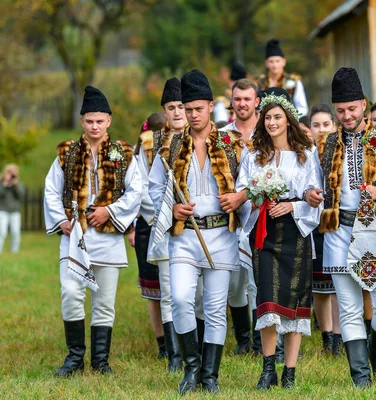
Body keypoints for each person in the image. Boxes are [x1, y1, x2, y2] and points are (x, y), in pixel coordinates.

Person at [307, 67, 376, 388]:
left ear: (364, 104)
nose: (346, 115)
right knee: (350, 309)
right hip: (340, 231)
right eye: (340, 110)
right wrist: (311, 194)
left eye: (352, 109)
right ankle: (361, 378)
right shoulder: (324, 145)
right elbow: (313, 182)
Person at [148, 70, 246, 394]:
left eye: (198, 108)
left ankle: (210, 376)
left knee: (217, 308)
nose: (192, 115)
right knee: (179, 298)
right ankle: (191, 369)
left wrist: (239, 197)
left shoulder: (231, 144)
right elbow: (155, 189)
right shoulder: (172, 144)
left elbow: (248, 182)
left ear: (211, 106)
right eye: (187, 109)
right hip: (185, 236)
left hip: (221, 235)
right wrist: (172, 209)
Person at [44, 86, 142, 376]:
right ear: (82, 122)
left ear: (109, 120)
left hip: (109, 237)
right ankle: (74, 357)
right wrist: (61, 219)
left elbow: (136, 191)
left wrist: (108, 211)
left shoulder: (124, 152)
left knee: (104, 300)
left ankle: (101, 360)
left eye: (100, 120)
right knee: (71, 292)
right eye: (89, 121)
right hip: (76, 237)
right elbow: (51, 189)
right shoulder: (67, 152)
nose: (95, 126)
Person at [236, 87, 322, 390]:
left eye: (277, 117)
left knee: (294, 302)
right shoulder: (254, 156)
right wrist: (254, 199)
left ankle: (290, 372)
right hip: (266, 233)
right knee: (268, 302)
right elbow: (242, 192)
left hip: (295, 233)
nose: (272, 122)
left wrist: (294, 204)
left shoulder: (306, 156)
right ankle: (267, 368)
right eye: (268, 117)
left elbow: (316, 197)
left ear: (288, 119)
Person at [134, 78, 191, 372]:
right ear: (164, 112)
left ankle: (196, 349)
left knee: (197, 293)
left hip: (199, 228)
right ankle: (174, 354)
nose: (179, 112)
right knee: (169, 290)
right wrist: (166, 215)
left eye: (182, 106)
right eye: (172, 107)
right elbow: (143, 188)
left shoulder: (206, 140)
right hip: (166, 227)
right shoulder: (151, 145)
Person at [220, 78, 261, 356]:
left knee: (258, 280)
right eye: (238, 99)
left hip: (261, 214)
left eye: (248, 99)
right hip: (230, 217)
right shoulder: (222, 135)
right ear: (231, 102)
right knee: (235, 281)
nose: (242, 103)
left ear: (257, 101)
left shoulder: (269, 130)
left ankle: (260, 341)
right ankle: (243, 338)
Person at [308, 103, 343, 355]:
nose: (321, 130)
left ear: (335, 126)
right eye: (316, 125)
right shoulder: (305, 153)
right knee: (320, 283)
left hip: (338, 221)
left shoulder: (340, 150)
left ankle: (340, 336)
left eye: (326, 124)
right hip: (313, 223)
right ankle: (327, 336)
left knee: (338, 282)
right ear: (309, 128)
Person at [257, 39, 308, 116]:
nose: (274, 65)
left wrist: (292, 119)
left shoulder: (294, 81)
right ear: (266, 63)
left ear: (284, 62)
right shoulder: (260, 82)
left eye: (277, 61)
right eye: (271, 61)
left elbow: (302, 108)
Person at [0, 164, 25, 254]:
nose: (11, 175)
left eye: (13, 173)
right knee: (2, 231)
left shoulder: (18, 184)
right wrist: (5, 184)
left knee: (15, 232)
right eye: (9, 173)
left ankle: (14, 251)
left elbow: (21, 195)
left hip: (14, 211)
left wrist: (15, 185)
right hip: (1, 210)